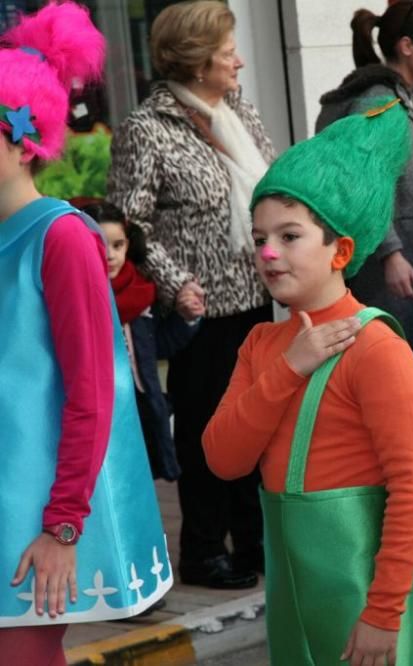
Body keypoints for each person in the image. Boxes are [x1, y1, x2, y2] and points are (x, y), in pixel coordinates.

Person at [203, 98, 413, 666]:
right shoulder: (262, 345)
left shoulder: (376, 347)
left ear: (342, 250)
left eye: (289, 236)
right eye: (260, 238)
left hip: (364, 603)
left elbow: (411, 488)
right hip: (292, 599)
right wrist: (290, 367)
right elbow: (223, 458)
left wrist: (384, 614)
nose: (269, 253)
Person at [0, 5, 171, 662]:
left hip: (35, 523)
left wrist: (64, 523)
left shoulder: (62, 237)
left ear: (21, 141)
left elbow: (95, 390)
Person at [107, 0, 276, 589]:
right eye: (228, 50)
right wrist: (178, 286)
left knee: (256, 427)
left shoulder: (240, 112)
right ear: (197, 59)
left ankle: (254, 543)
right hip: (200, 312)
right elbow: (128, 227)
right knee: (207, 431)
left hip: (257, 297)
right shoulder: (145, 129)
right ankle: (204, 551)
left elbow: (273, 188)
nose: (240, 61)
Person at [315, 1, 413, 343]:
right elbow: (361, 179)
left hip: (406, 259)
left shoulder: (399, 98)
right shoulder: (379, 102)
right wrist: (391, 254)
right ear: (407, 47)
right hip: (390, 269)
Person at [81, 199, 202, 482]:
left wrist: (187, 318)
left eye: (118, 245)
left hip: (138, 410)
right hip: (93, 411)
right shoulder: (75, 296)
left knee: (137, 486)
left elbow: (157, 346)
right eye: (99, 244)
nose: (110, 255)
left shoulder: (141, 295)